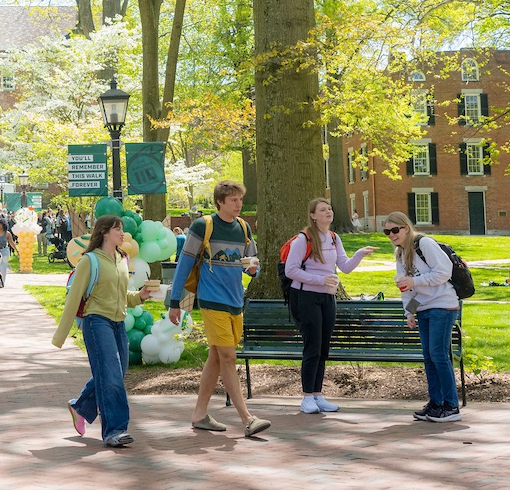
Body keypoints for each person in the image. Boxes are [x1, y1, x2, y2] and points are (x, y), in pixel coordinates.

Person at [168, 180, 270, 437]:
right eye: (233, 200)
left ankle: (199, 414)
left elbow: (250, 265)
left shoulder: (244, 228)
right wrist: (174, 302)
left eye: (240, 199)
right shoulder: (204, 225)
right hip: (212, 301)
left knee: (216, 356)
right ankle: (247, 419)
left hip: (236, 301)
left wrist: (253, 269)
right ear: (220, 202)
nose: (238, 204)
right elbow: (184, 265)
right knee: (228, 357)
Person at [53, 215, 152, 448]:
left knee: (116, 372)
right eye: (118, 229)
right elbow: (74, 297)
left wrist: (140, 296)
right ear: (105, 232)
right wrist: (61, 335)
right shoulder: (89, 260)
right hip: (97, 321)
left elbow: (120, 295)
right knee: (112, 376)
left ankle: (80, 406)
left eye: (122, 229)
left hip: (119, 322)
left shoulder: (121, 258)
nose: (122, 233)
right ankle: (114, 430)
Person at [284, 198, 376, 414]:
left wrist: (359, 254)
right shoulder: (303, 239)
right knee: (312, 346)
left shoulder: (334, 238)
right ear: (313, 216)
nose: (328, 212)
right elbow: (291, 270)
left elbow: (344, 267)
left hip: (328, 298)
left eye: (330, 209)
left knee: (324, 346)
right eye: (323, 210)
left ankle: (317, 394)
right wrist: (320, 280)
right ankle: (307, 397)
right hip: (306, 298)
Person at [385, 211, 461, 423]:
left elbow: (443, 272)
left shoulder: (424, 244)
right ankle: (435, 404)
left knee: (438, 355)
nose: (391, 235)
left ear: (406, 228)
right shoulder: (400, 254)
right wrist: (409, 311)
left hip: (443, 305)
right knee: (428, 357)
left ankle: (451, 406)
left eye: (395, 230)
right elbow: (407, 288)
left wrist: (414, 282)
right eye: (387, 232)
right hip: (424, 308)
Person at [0, 219, 12, 288]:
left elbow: (11, 242)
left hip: (5, 251)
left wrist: (17, 250)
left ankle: (2, 282)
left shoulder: (7, 233)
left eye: (0, 224)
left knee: (3, 266)